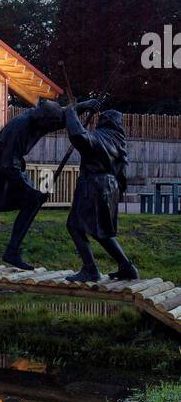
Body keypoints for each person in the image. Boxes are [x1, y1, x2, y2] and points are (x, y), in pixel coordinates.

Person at [0, 97, 99, 271]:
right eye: (50, 124)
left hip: (9, 162)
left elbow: (65, 114)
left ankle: (11, 251)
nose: (53, 127)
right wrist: (28, 190)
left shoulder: (42, 117)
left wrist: (85, 105)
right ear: (43, 120)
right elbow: (8, 165)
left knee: (31, 202)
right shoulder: (20, 127)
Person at [63, 105, 138, 282]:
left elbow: (79, 136)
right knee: (101, 230)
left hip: (93, 185)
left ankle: (90, 270)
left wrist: (70, 113)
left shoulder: (101, 137)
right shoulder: (118, 140)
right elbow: (121, 172)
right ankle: (127, 267)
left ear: (103, 122)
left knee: (74, 226)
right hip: (110, 186)